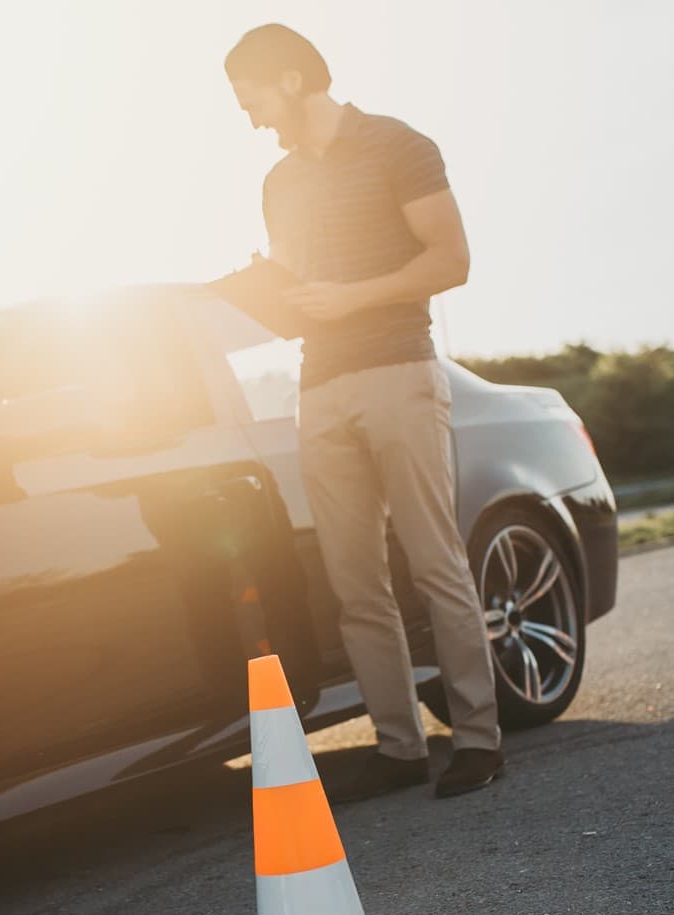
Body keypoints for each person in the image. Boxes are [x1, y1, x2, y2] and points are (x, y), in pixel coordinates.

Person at [224, 23, 504, 800]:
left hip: (399, 372)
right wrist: (261, 293)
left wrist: (353, 296)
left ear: (288, 78)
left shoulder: (398, 145)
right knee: (354, 581)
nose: (250, 119)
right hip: (320, 384)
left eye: (250, 100)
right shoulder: (279, 183)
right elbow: (300, 292)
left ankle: (478, 739)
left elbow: (453, 259)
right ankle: (399, 748)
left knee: (433, 560)